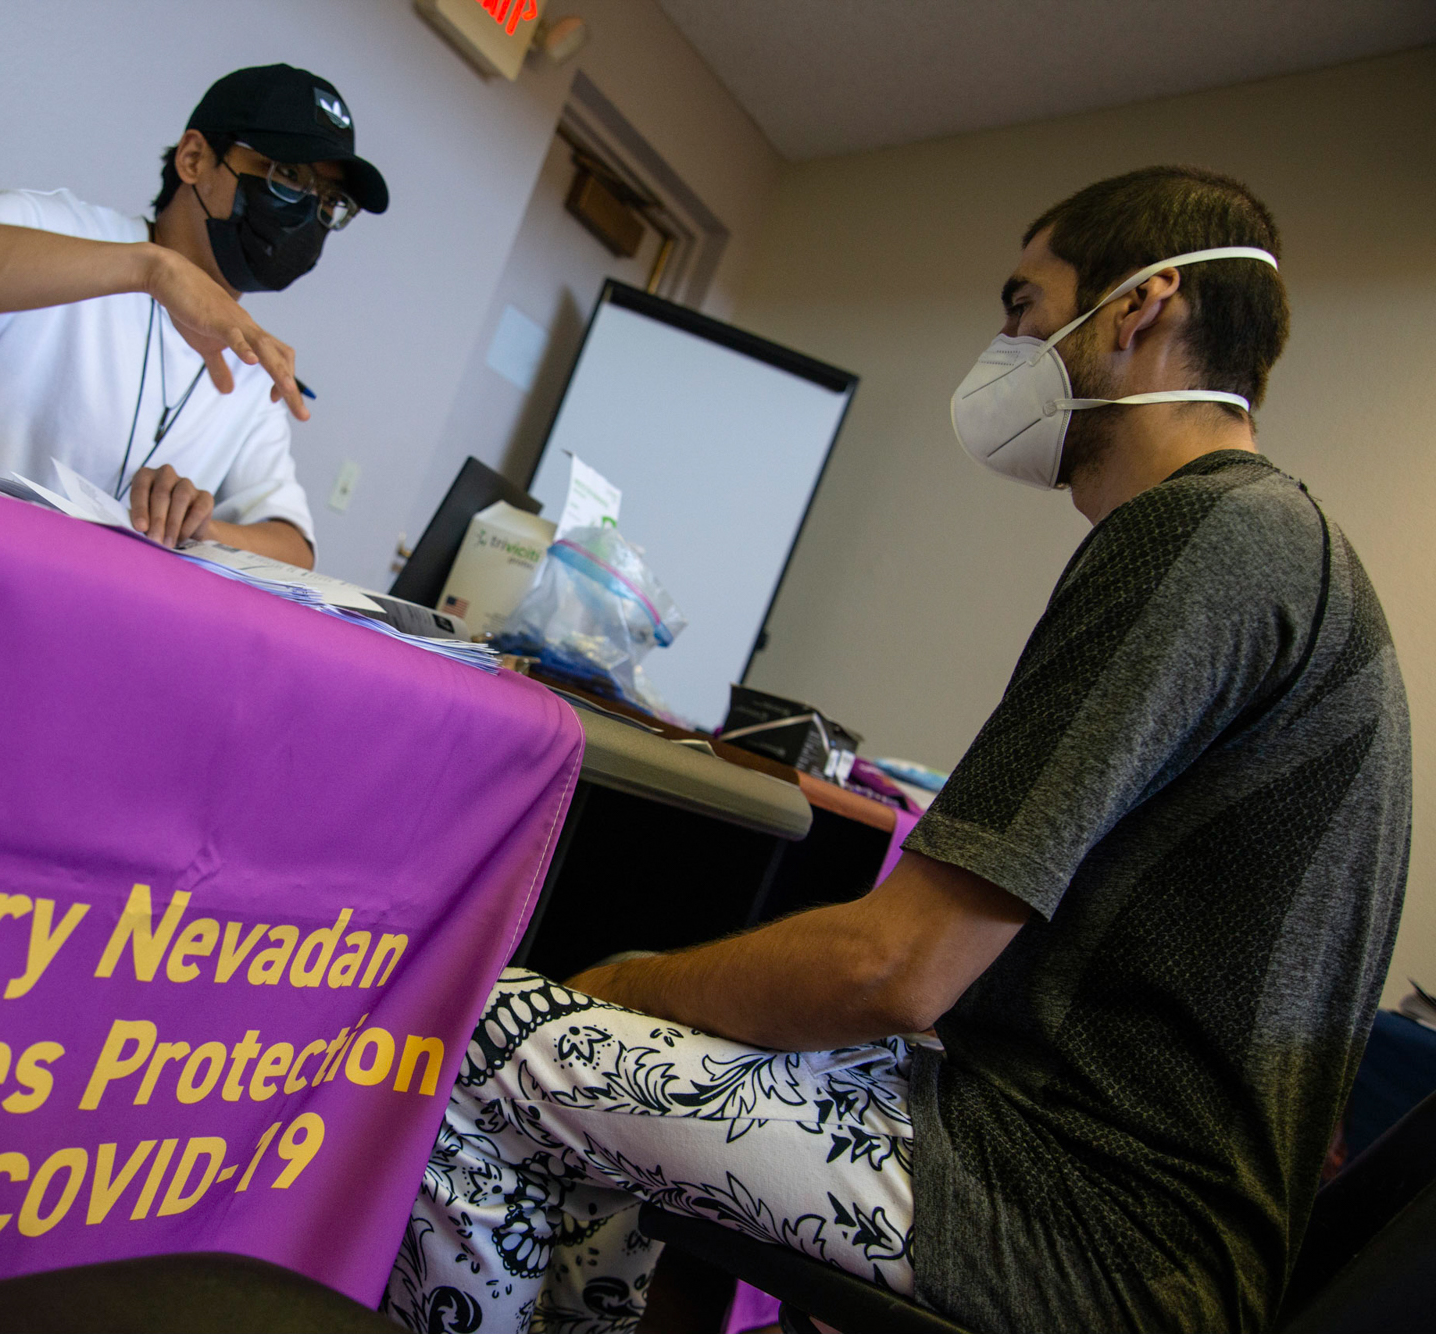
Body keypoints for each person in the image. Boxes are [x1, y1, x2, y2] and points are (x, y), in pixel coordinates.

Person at [388, 166, 1410, 1334]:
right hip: (1121, 1212)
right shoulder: (1286, 550)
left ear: (1138, 307)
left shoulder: (1202, 535)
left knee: (483, 1036)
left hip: (1070, 1226)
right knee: (646, 1022)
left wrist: (620, 980)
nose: (1006, 343)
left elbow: (896, 966)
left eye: (1024, 306)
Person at [0, 64, 389, 567]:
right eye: (287, 175)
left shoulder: (252, 364)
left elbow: (294, 548)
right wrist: (150, 270)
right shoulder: (57, 231)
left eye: (327, 198)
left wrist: (205, 528)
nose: (309, 210)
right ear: (194, 158)